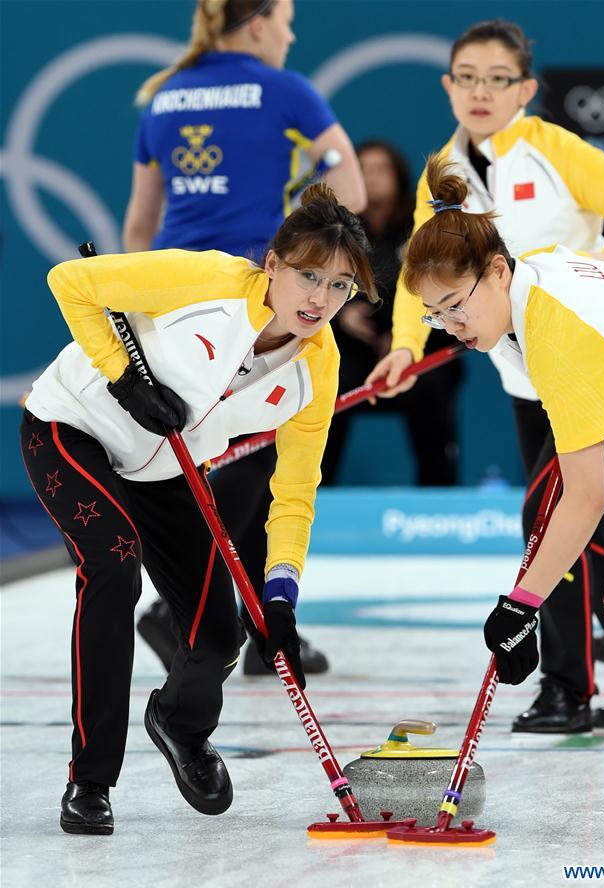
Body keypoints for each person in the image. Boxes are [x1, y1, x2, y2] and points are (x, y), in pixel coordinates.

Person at [20, 185, 376, 835]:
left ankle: (180, 724)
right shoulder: (209, 278)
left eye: (341, 285)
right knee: (115, 565)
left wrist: (281, 595)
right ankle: (89, 779)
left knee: (218, 633)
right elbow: (70, 279)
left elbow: (294, 491)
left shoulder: (317, 370)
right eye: (308, 275)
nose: (320, 298)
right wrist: (124, 379)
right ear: (272, 265)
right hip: (74, 427)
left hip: (167, 470)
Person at [366, 19, 604, 733]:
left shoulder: (554, 149)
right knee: (576, 520)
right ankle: (588, 682)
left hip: (593, 366)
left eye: (497, 78)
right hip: (521, 375)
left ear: (527, 90)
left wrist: (598, 282)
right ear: (448, 86)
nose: (480, 91)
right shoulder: (440, 173)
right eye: (467, 77)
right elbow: (422, 277)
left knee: (551, 513)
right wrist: (406, 347)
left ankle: (590, 680)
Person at [404, 154, 604, 835]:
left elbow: (585, 500)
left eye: (455, 306)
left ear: (494, 272)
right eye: (435, 316)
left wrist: (521, 604)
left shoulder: (553, 326)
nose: (452, 327)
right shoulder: (529, 270)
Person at [123, 0, 367, 677]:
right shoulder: (284, 88)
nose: (291, 33)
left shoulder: (165, 96)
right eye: (286, 19)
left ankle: (259, 624)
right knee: (255, 454)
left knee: (229, 454)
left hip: (175, 299)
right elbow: (349, 191)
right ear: (257, 23)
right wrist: (298, 239)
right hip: (250, 293)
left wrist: (148, 309)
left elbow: (139, 228)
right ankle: (177, 609)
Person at [323, 140, 462, 485]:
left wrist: (397, 334)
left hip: (419, 349)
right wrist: (343, 316)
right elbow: (314, 288)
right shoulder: (335, 231)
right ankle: (314, 492)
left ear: (399, 177)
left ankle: (440, 498)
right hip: (353, 351)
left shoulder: (423, 226)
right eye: (363, 170)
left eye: (379, 170)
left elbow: (433, 286)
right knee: (326, 381)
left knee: (431, 384)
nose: (370, 179)